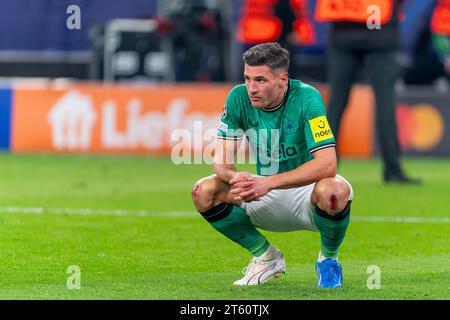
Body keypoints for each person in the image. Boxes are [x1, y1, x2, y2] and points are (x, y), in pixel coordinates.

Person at [191, 42, 353, 288]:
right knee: (203, 191)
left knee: (334, 191)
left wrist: (268, 183)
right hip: (262, 194)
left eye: (260, 80)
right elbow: (221, 161)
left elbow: (328, 164)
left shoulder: (307, 97)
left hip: (306, 194)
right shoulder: (237, 97)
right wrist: (236, 178)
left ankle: (328, 261)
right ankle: (266, 257)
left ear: (282, 79)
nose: (251, 88)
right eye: (247, 78)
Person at [321, 0, 421, 183]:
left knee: (335, 105)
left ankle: (322, 168)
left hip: (344, 35)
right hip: (381, 37)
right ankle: (393, 170)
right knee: (385, 105)